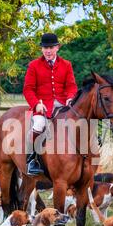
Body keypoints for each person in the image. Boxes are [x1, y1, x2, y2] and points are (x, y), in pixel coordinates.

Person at [23, 33, 78, 175]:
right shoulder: (34, 65)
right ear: (42, 49)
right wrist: (36, 104)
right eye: (45, 48)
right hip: (42, 106)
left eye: (51, 47)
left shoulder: (66, 65)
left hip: (62, 105)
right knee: (39, 125)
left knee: (78, 124)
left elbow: (71, 86)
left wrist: (70, 98)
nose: (48, 51)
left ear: (57, 48)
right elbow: (28, 89)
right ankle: (32, 160)